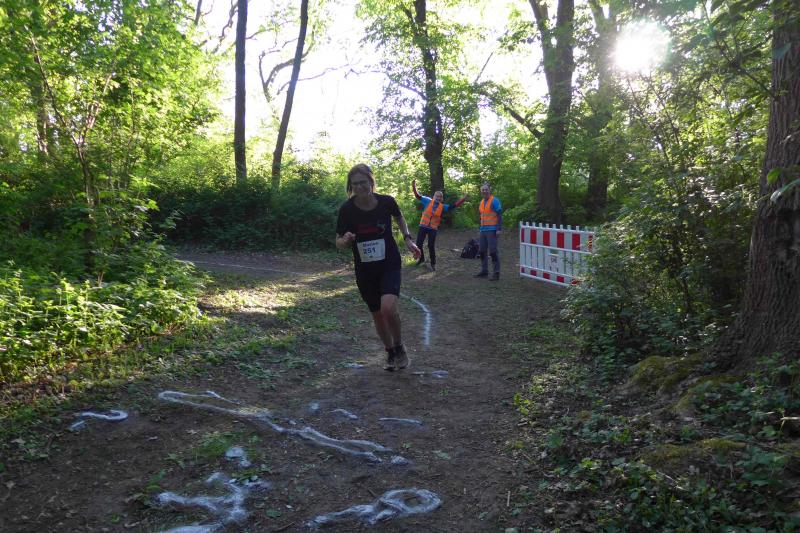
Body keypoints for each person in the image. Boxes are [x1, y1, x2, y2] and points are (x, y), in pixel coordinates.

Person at [336, 164, 421, 371]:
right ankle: (390, 352)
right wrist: (345, 240)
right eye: (355, 184)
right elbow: (338, 241)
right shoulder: (347, 209)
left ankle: (399, 347)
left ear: (371, 181)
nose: (359, 187)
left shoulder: (386, 202)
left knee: (388, 307)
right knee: (377, 314)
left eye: (363, 182)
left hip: (389, 263)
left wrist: (408, 239)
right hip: (365, 270)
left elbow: (399, 217)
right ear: (350, 186)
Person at [411, 180, 467, 271]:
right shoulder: (427, 200)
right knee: (419, 244)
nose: (438, 198)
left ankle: (433, 263)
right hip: (423, 226)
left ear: (442, 199)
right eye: (437, 196)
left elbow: (453, 206)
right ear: (433, 196)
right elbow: (418, 196)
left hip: (433, 229)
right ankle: (421, 259)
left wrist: (463, 199)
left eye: (440, 197)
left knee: (431, 246)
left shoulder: (442, 207)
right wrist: (414, 187)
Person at [475, 182, 502, 281]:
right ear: (481, 191)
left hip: (492, 230)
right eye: (483, 190)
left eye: (486, 189)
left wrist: (499, 229)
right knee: (482, 251)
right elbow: (482, 216)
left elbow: (499, 216)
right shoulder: (481, 202)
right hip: (483, 230)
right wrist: (480, 228)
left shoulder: (495, 201)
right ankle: (484, 271)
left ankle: (496, 273)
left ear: (489, 190)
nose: (484, 191)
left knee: (493, 252)